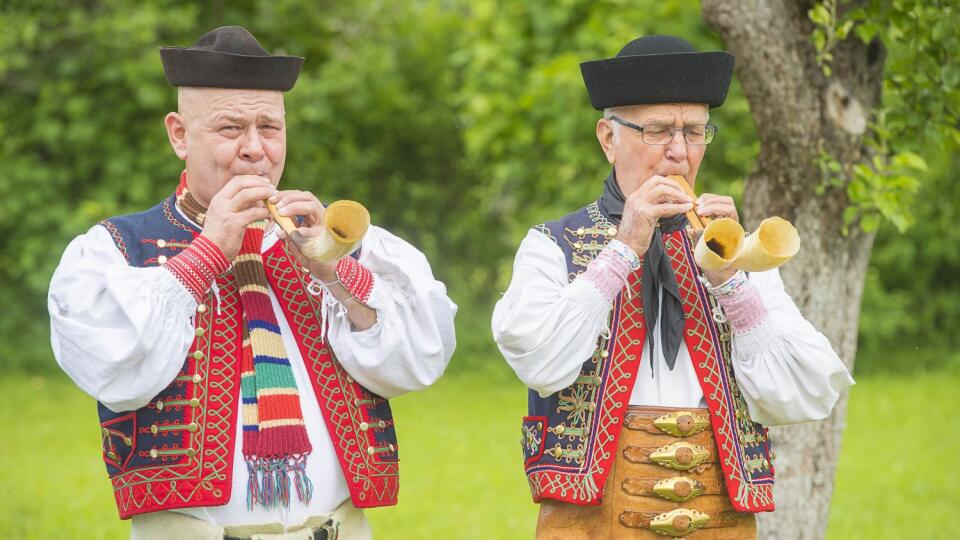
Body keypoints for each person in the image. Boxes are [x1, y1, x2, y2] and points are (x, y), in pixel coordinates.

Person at [48, 26, 456, 539]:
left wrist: (334, 269)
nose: (255, 149)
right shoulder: (115, 249)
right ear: (179, 134)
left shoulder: (328, 239)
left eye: (269, 126)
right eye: (229, 129)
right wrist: (208, 251)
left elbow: (417, 360)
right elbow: (113, 368)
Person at [492, 35, 854, 539]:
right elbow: (539, 360)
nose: (679, 153)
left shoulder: (736, 254)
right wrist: (621, 251)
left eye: (696, 132)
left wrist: (730, 279)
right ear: (607, 138)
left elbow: (803, 396)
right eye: (659, 130)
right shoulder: (552, 245)